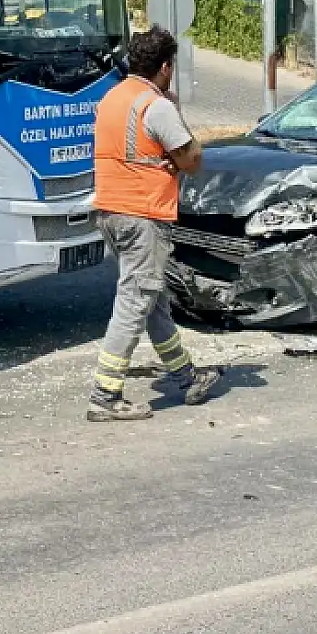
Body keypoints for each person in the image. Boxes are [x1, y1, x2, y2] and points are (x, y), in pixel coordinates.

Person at [86, 27, 221, 421]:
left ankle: (186, 377)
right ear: (165, 67)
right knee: (134, 302)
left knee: (153, 301)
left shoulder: (113, 98)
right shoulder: (156, 106)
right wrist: (175, 112)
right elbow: (192, 160)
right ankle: (105, 395)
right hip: (143, 215)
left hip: (111, 212)